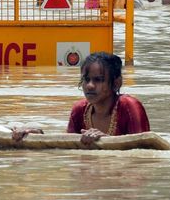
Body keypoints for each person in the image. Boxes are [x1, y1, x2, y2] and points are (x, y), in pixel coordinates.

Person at [12, 52, 150, 146]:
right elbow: (67, 144)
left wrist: (105, 140)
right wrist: (37, 135)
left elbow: (143, 152)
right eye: (86, 79)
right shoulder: (79, 110)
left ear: (116, 83)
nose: (89, 86)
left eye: (98, 80)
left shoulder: (130, 106)